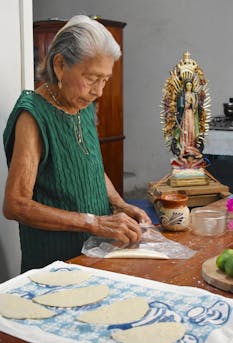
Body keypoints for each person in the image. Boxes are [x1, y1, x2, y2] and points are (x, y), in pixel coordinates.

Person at [2, 15, 151, 273]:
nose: (99, 91)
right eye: (92, 78)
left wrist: (120, 205)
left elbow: (91, 167)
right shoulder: (33, 115)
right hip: (55, 266)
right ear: (60, 65)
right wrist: (94, 223)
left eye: (105, 79)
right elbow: (16, 204)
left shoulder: (81, 105)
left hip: (96, 256)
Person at [175, 79, 202, 159]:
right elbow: (180, 106)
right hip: (185, 114)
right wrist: (186, 104)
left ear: (192, 86)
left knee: (191, 129)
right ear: (185, 86)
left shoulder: (194, 95)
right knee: (185, 128)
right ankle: (184, 146)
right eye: (187, 85)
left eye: (190, 85)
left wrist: (193, 103)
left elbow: (195, 108)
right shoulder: (182, 95)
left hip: (191, 115)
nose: (189, 87)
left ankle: (191, 146)